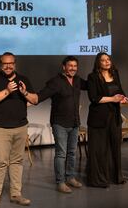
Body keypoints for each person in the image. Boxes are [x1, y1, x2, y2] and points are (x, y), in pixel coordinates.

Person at [0, 52, 37, 208]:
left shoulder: (24, 79)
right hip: (0, 128)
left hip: (20, 126)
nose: (8, 66)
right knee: (0, 162)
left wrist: (25, 93)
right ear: (1, 64)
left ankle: (16, 194)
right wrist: (7, 90)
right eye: (5, 63)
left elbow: (35, 100)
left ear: (15, 64)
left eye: (11, 63)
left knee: (17, 161)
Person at [36, 56, 87, 193]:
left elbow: (90, 85)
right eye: (70, 65)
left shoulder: (77, 80)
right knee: (61, 154)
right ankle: (60, 182)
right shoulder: (55, 82)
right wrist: (30, 99)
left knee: (72, 152)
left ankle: (70, 177)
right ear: (63, 67)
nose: (73, 68)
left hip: (75, 122)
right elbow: (41, 95)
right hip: (60, 123)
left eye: (75, 66)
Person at [86, 52, 128, 188]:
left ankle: (116, 177)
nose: (106, 62)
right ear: (98, 63)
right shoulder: (92, 77)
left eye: (108, 59)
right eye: (103, 60)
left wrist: (123, 97)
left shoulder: (115, 74)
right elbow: (94, 98)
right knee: (99, 150)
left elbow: (120, 90)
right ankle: (98, 180)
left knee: (115, 147)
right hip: (98, 118)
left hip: (114, 117)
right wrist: (112, 99)